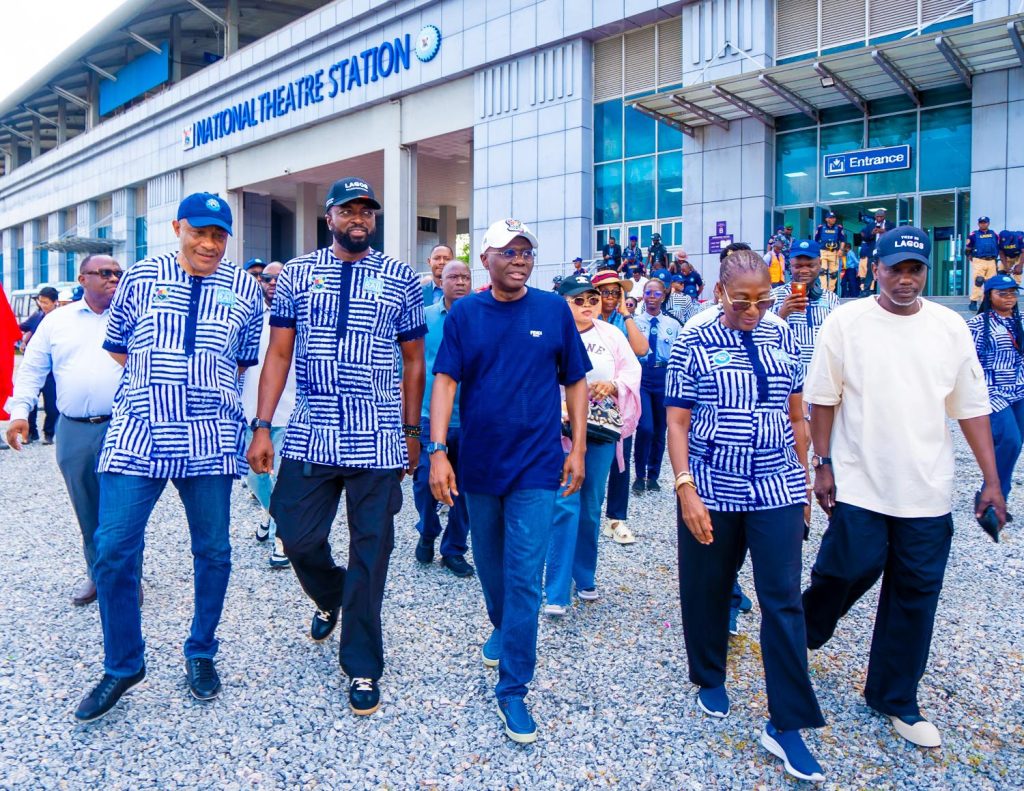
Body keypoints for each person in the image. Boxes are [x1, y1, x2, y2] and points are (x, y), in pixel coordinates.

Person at [802, 226, 1004, 749]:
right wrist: (822, 464)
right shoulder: (846, 322)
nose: (905, 279)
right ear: (876, 270)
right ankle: (802, 633)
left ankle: (894, 697)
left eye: (915, 269)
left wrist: (992, 480)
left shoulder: (949, 327)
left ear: (926, 272)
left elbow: (970, 407)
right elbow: (822, 397)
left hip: (926, 489)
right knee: (845, 569)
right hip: (860, 480)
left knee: (916, 595)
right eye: (895, 269)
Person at [74, 193, 264, 723]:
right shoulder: (141, 277)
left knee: (214, 551)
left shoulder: (245, 289)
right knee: (113, 549)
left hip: (210, 436)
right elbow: (119, 348)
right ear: (178, 227)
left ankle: (201, 651)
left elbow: (242, 362)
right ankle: (123, 664)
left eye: (219, 235)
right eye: (199, 232)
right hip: (139, 431)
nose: (209, 244)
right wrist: (161, 387)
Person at [248, 177, 426, 717]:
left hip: (377, 435)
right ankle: (332, 596)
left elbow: (414, 361)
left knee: (372, 551)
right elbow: (279, 354)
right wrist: (262, 426)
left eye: (366, 211)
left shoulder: (400, 277)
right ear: (328, 217)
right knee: (295, 533)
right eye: (348, 210)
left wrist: (412, 433)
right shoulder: (298, 273)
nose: (358, 218)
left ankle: (363, 664)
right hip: (313, 428)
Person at [667, 248, 826, 783]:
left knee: (783, 598)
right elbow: (678, 421)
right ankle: (710, 674)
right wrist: (685, 488)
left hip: (776, 483)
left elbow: (796, 413)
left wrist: (803, 481)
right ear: (719, 293)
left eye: (762, 299)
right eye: (741, 301)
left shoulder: (783, 336)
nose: (753, 310)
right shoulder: (694, 339)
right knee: (708, 584)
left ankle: (787, 723)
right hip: (713, 484)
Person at [429, 218, 590, 744]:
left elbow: (575, 380)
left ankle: (514, 687)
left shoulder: (552, 310)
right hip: (479, 464)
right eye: (509, 251)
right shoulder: (465, 314)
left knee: (524, 575)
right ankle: (503, 624)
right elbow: (446, 382)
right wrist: (437, 451)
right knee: (492, 566)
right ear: (486, 260)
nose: (520, 260)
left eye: (526, 252)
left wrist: (577, 448)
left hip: (537, 465)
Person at [6, 255, 125, 606]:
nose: (113, 279)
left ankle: (126, 578)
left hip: (123, 427)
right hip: (74, 430)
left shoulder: (132, 317)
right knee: (87, 508)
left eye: (118, 273)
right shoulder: (57, 321)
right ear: (82, 278)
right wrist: (20, 412)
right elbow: (32, 369)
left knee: (123, 510)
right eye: (105, 273)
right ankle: (98, 574)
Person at [544, 274, 641, 616]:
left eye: (593, 299)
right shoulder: (551, 332)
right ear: (563, 303)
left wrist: (613, 385)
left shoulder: (611, 335)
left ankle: (584, 575)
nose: (587, 305)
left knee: (590, 505)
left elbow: (632, 371)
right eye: (579, 300)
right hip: (559, 430)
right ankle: (556, 590)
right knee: (564, 502)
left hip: (599, 430)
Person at [413, 260, 474, 578]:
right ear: (441, 281)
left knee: (465, 487)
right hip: (428, 415)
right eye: (454, 277)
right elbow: (409, 365)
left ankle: (454, 548)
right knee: (425, 480)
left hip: (471, 418)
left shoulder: (481, 317)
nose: (460, 282)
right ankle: (427, 530)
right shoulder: (424, 317)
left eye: (465, 277)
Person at [240, 261, 294, 569]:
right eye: (267, 278)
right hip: (252, 411)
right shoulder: (250, 316)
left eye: (278, 278)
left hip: (290, 411)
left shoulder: (302, 316)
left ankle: (282, 538)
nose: (272, 283)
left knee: (284, 479)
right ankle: (271, 514)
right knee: (255, 478)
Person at [592, 269, 647, 546]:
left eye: (616, 292)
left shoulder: (622, 321)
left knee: (621, 457)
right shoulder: (584, 319)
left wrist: (626, 314)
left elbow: (641, 349)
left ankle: (615, 518)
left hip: (617, 398)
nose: (611, 297)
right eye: (605, 292)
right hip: (588, 398)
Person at [968, 273, 1024, 506]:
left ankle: (996, 498)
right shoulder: (977, 325)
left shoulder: (1020, 320)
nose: (1009, 297)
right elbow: (966, 360)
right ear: (989, 296)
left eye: (1012, 293)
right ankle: (993, 494)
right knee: (1009, 440)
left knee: (1015, 445)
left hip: (1019, 389)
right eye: (1002, 293)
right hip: (993, 391)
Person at [632, 277, 683, 493]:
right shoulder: (634, 323)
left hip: (664, 376)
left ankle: (653, 476)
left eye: (657, 293)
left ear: (664, 296)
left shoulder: (673, 325)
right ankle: (639, 474)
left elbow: (680, 356)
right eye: (648, 293)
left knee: (660, 429)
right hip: (642, 375)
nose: (651, 297)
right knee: (645, 428)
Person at [771, 240, 840, 373]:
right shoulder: (774, 296)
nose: (804, 270)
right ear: (790, 266)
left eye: (810, 265)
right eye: (798, 266)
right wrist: (781, 315)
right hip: (788, 374)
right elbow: (763, 336)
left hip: (821, 374)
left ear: (820, 264)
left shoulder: (831, 299)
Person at [19, 286, 59, 444]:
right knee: (30, 403)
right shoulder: (37, 316)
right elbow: (22, 328)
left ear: (55, 302)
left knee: (52, 406)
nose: (42, 305)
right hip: (36, 365)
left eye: (46, 302)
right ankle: (31, 432)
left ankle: (49, 434)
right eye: (40, 301)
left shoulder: (61, 319)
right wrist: (24, 339)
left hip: (52, 371)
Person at [967, 217, 1000, 311]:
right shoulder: (974, 235)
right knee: (979, 280)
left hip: (991, 261)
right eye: (981, 223)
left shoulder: (994, 234)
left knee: (991, 283)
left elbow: (998, 246)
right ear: (978, 224)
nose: (983, 224)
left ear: (988, 223)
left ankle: (986, 302)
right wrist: (970, 257)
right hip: (979, 260)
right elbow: (968, 248)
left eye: (984, 222)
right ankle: (973, 301)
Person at [858, 210, 893, 297]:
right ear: (875, 217)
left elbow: (895, 234)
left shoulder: (890, 224)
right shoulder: (871, 225)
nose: (879, 218)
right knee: (870, 270)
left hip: (886, 250)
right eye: (877, 217)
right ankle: (866, 290)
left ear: (884, 216)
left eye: (881, 217)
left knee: (887, 269)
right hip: (873, 250)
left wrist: (884, 231)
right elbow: (865, 237)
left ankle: (888, 290)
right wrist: (872, 233)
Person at [813, 211, 845, 292]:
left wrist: (841, 250)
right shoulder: (821, 228)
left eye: (834, 218)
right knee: (822, 271)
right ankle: (824, 290)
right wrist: (816, 252)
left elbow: (843, 240)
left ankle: (830, 291)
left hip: (834, 252)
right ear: (826, 219)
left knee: (833, 274)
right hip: (823, 251)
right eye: (831, 218)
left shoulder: (838, 228)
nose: (833, 219)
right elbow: (816, 240)